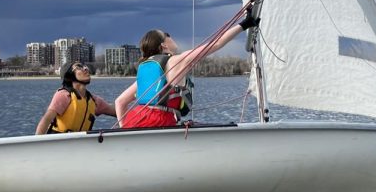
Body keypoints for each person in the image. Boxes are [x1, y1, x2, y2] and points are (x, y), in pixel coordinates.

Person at [115, 9, 259, 129]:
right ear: (164, 45)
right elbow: (215, 44)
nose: (171, 36)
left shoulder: (145, 68)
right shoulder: (176, 61)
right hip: (158, 122)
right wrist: (245, 24)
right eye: (167, 35)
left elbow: (120, 102)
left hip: (134, 121)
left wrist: (123, 130)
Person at [36, 62, 117, 134]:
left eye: (85, 66)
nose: (85, 69)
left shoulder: (94, 100)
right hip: (58, 145)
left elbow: (118, 111)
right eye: (78, 67)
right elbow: (46, 120)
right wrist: (37, 145)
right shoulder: (63, 95)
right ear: (69, 75)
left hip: (80, 146)